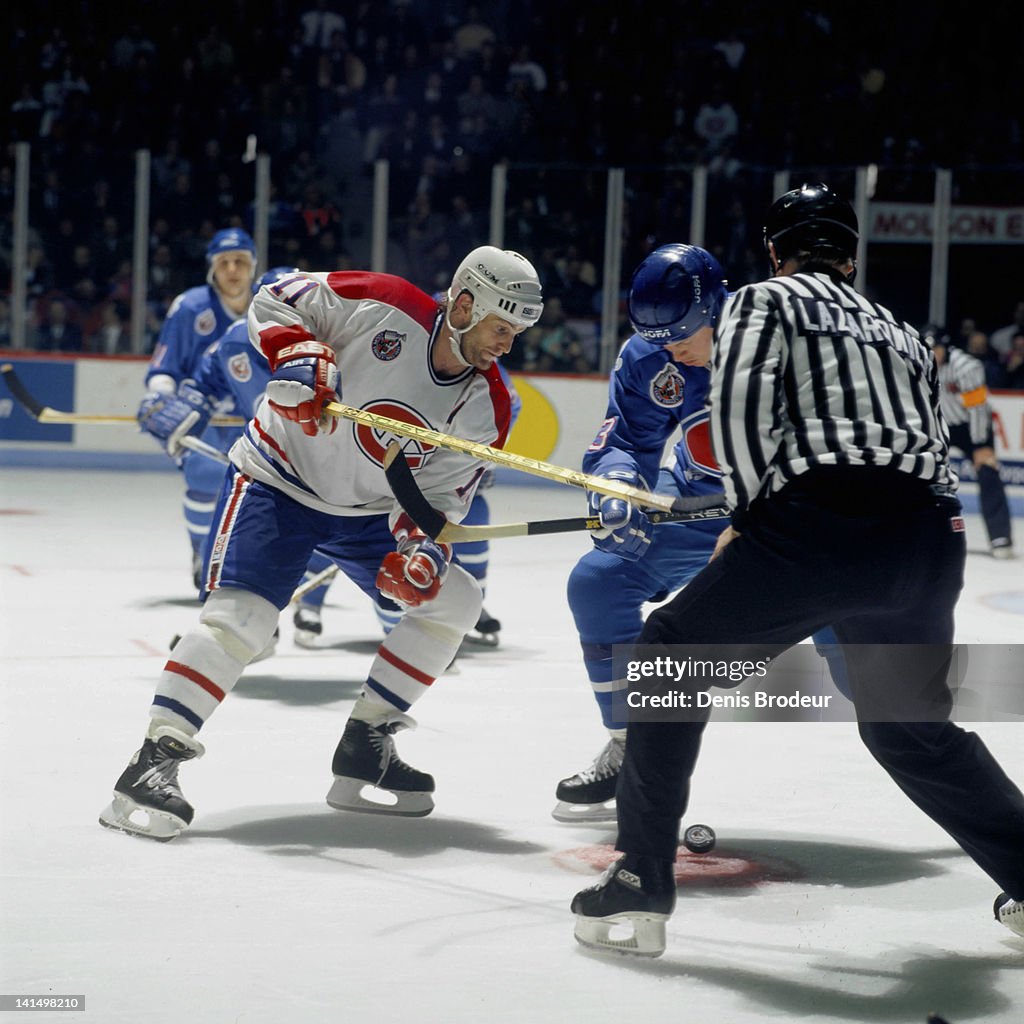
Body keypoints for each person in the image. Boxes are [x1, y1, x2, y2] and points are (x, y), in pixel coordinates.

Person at [570, 183, 1024, 955]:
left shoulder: (758, 305)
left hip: (821, 526)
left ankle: (642, 877)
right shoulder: (905, 332)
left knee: (667, 658)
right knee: (909, 728)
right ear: (852, 253)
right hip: (928, 539)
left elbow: (745, 410)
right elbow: (927, 447)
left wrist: (748, 520)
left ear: (774, 254)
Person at [99, 245, 543, 840]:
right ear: (464, 304)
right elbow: (275, 296)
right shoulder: (383, 302)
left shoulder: (487, 404)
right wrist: (296, 351)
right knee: (243, 621)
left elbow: (439, 498)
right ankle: (153, 762)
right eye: (500, 325)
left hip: (367, 514)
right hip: (280, 479)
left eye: (516, 331)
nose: (506, 343)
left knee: (455, 600)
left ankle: (366, 743)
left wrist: (422, 552)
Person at [555, 243, 847, 824]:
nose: (673, 351)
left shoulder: (787, 341)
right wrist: (617, 487)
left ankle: (942, 755)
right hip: (691, 510)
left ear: (719, 307)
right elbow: (624, 442)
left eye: (685, 335)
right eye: (659, 339)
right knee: (598, 583)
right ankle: (629, 743)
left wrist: (761, 522)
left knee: (873, 674)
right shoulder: (652, 354)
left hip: (795, 525)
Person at [137, 228, 257, 590]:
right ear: (211, 268)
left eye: (240, 261)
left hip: (257, 419)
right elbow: (165, 367)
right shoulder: (190, 307)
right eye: (224, 262)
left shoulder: (271, 306)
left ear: (253, 267)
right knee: (204, 480)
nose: (232, 269)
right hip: (201, 417)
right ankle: (202, 552)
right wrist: (160, 395)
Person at [927, 327, 1014, 558]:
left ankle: (1000, 536)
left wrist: (981, 445)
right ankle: (928, 534)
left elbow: (977, 409)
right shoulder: (920, 362)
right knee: (925, 474)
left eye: (935, 348)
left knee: (987, 470)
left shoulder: (966, 367)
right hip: (940, 424)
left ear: (945, 347)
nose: (932, 353)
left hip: (970, 425)